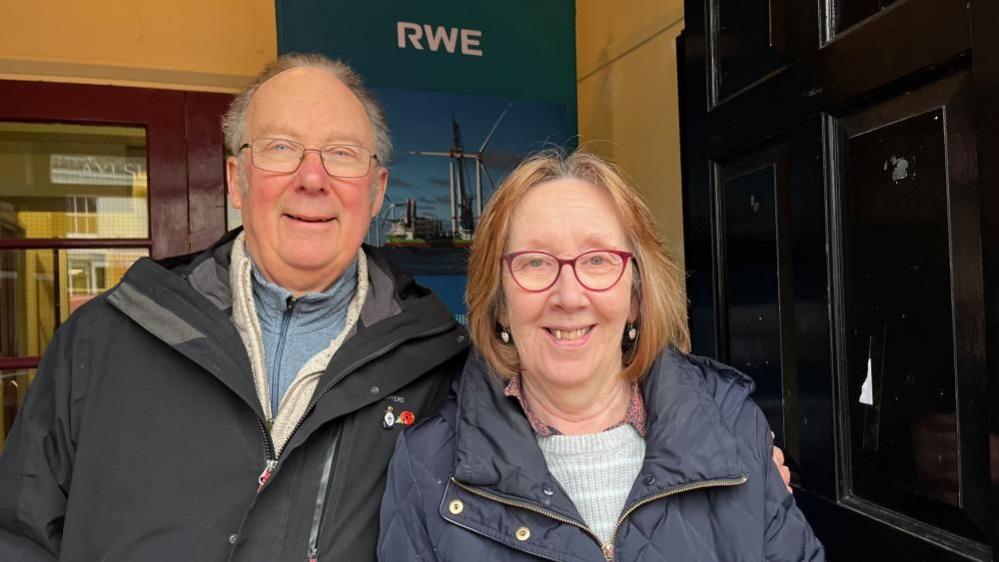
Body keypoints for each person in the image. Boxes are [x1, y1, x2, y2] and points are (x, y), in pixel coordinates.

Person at [0, 54, 468, 561]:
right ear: (235, 180)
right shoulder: (100, 340)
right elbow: (19, 536)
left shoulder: (440, 368)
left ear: (376, 192)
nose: (313, 178)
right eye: (281, 148)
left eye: (342, 153)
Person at [378, 150, 824, 561]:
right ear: (498, 303)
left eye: (597, 261)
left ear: (635, 296)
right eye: (535, 262)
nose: (569, 296)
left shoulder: (734, 427)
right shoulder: (427, 466)